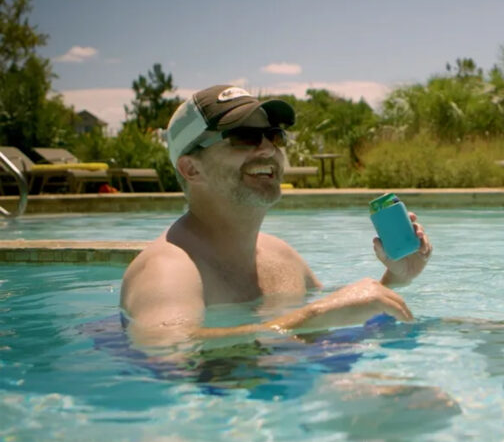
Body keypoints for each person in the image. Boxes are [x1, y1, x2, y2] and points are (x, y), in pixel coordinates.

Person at [121, 85, 432, 348]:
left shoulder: (281, 256)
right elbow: (167, 351)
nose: (268, 149)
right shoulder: (168, 270)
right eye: (244, 136)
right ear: (191, 168)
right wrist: (320, 313)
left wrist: (394, 281)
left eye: (274, 135)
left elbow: (332, 323)